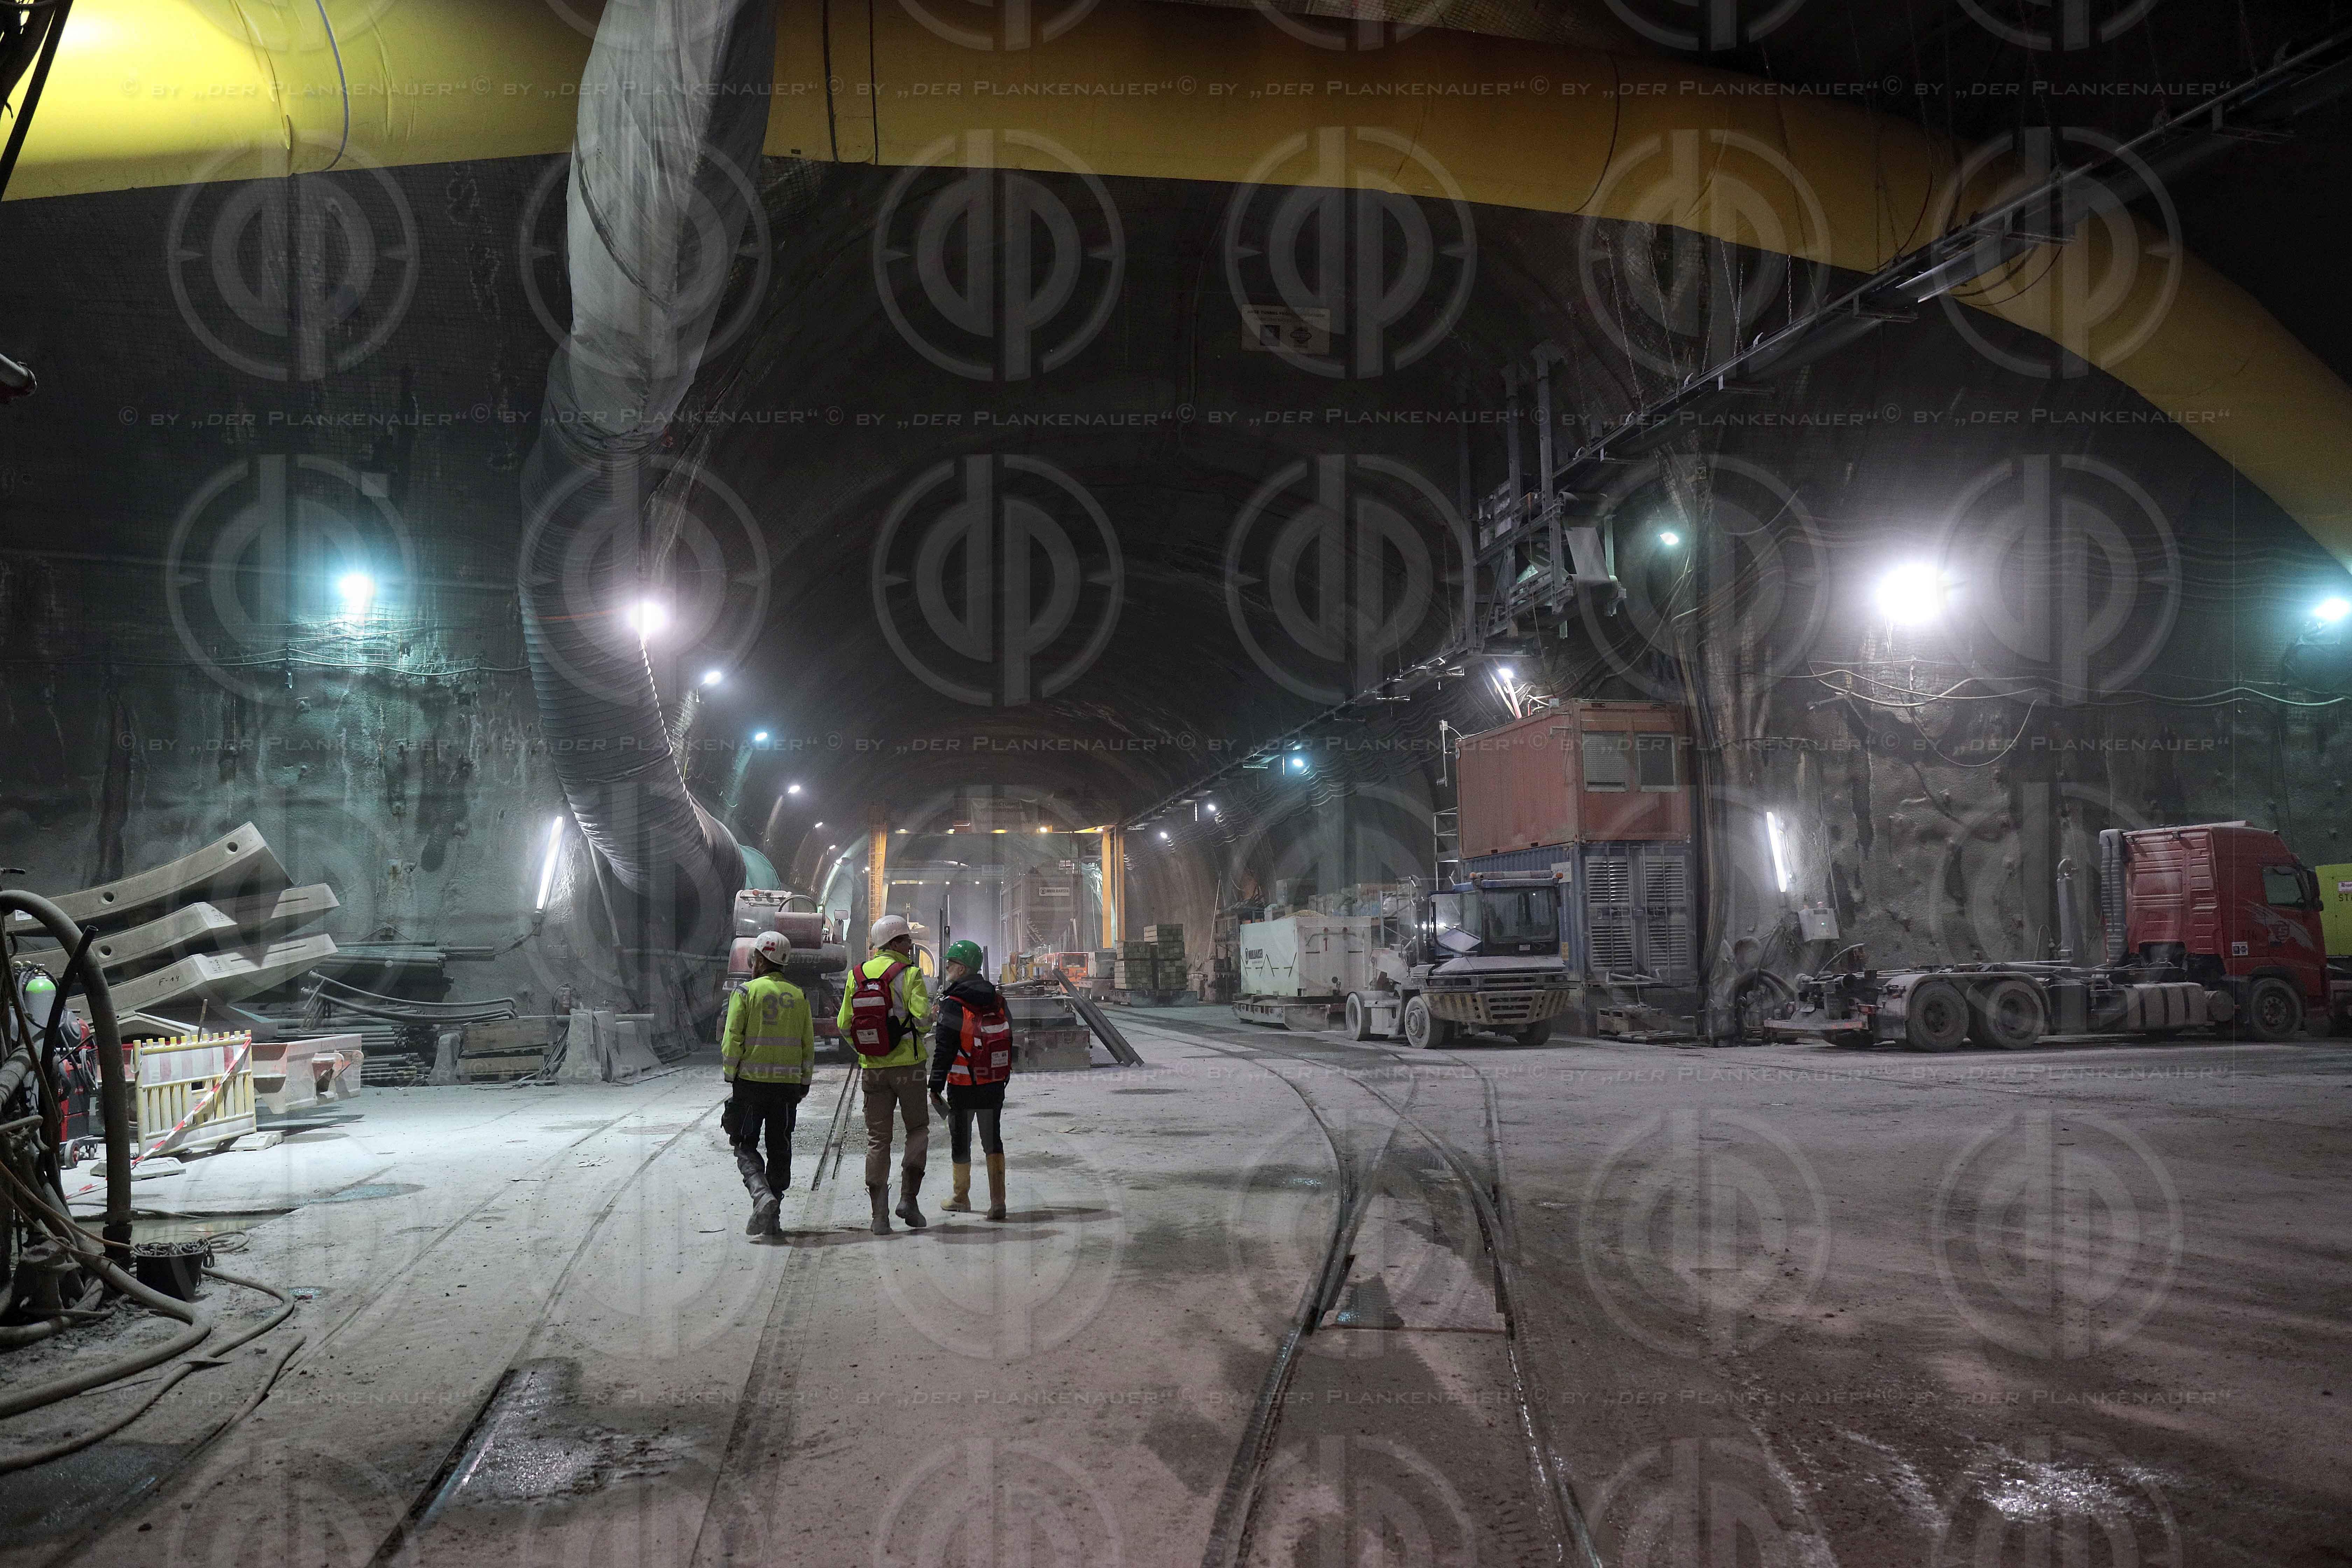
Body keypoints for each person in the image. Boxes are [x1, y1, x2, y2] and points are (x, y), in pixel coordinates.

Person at [838, 913, 933, 1234]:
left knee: (878, 1140)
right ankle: (909, 1199)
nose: (910, 946)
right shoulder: (911, 974)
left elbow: (843, 1025)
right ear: (894, 943)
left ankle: (879, 1217)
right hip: (909, 1068)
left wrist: (867, 1050)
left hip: (873, 1071)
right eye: (907, 940)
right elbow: (923, 1020)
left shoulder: (857, 975)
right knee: (918, 1130)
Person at [720, 931, 816, 1239]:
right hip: (787, 1088)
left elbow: (733, 1038)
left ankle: (762, 1195)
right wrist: (804, 1082)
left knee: (744, 1143)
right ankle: (773, 1219)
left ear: (760, 960)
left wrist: (730, 1072)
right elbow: (807, 1046)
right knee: (780, 1147)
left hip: (750, 1085)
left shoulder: (746, 993)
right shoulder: (799, 996)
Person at [927, 939, 1013, 1221]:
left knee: (961, 1140)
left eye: (951, 964)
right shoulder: (997, 999)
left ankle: (961, 1197)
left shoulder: (953, 1004)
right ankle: (998, 1201)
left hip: (963, 1086)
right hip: (993, 1083)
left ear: (962, 969)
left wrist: (935, 1085)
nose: (948, 968)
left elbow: (944, 1050)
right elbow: (1009, 1038)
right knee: (993, 1139)